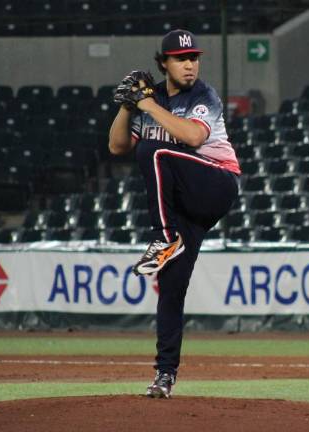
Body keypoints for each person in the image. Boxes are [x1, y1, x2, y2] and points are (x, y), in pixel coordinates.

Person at [107, 29, 241, 398]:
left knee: (153, 149)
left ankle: (164, 237)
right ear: (163, 63)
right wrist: (126, 105)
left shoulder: (203, 95)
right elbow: (117, 145)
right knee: (170, 288)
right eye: (181, 58)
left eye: (193, 58)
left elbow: (196, 139)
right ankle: (165, 375)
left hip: (216, 184)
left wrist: (147, 105)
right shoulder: (154, 99)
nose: (189, 64)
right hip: (184, 208)